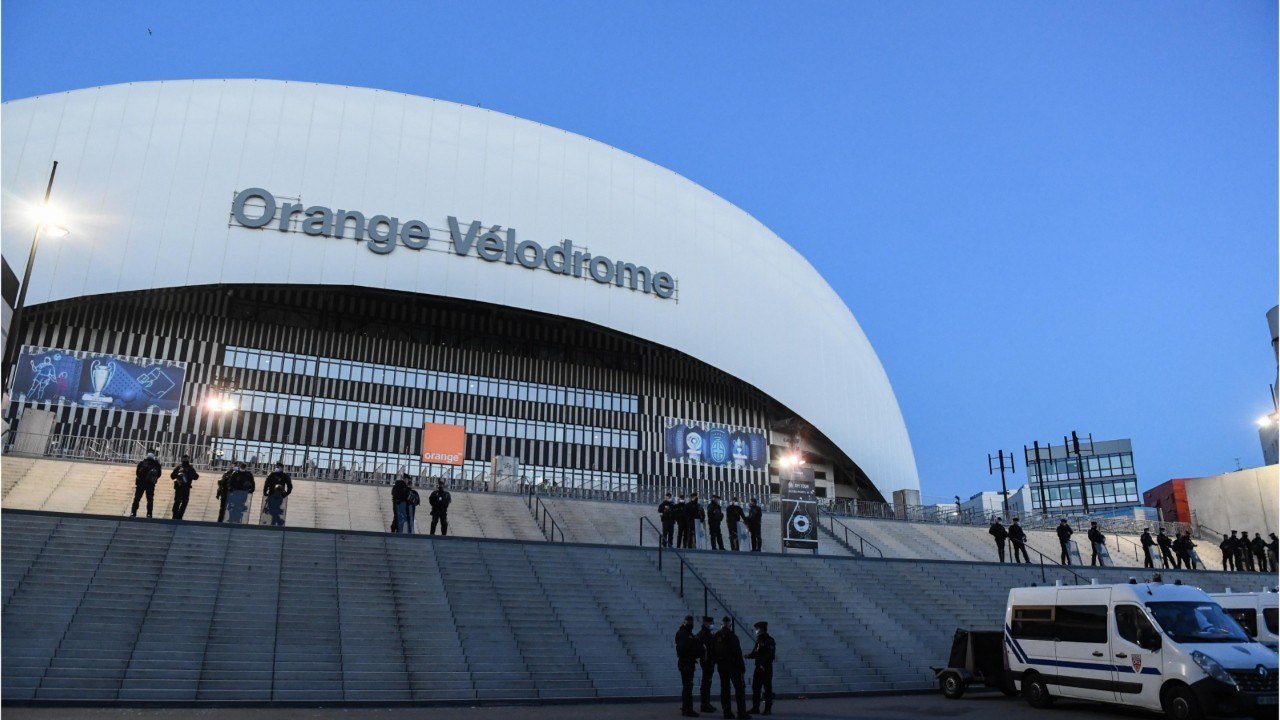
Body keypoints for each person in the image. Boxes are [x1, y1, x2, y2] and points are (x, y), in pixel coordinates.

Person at [713, 616, 750, 719]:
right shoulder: (732, 636)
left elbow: (712, 651)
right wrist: (742, 667)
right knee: (739, 689)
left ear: (721, 624)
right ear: (730, 624)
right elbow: (738, 652)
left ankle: (727, 712)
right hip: (733, 666)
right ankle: (741, 712)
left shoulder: (716, 635)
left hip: (721, 665)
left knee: (724, 689)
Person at [745, 621, 775, 716]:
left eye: (757, 629)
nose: (756, 631)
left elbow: (770, 655)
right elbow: (756, 652)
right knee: (756, 688)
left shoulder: (769, 640)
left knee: (767, 688)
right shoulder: (759, 640)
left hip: (766, 668)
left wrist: (763, 663)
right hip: (758, 668)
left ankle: (768, 708)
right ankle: (755, 707)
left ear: (761, 629)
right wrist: (748, 656)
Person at [675, 615, 702, 718]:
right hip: (686, 663)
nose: (691, 624)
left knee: (687, 686)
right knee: (688, 686)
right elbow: (683, 648)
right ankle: (688, 709)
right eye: (689, 622)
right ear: (686, 622)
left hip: (687, 662)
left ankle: (686, 708)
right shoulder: (684, 634)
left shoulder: (686, 633)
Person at [131, 448, 162, 518]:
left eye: (152, 452)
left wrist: (153, 476)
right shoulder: (142, 463)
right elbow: (137, 472)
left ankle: (149, 513)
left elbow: (159, 474)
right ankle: (133, 512)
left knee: (150, 499)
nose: (150, 454)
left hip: (150, 484)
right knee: (137, 498)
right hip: (141, 483)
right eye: (149, 452)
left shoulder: (156, 464)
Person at [696, 616, 718, 714]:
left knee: (707, 683)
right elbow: (705, 648)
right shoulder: (703, 634)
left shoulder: (707, 633)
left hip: (709, 660)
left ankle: (707, 703)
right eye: (711, 623)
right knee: (705, 683)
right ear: (706, 623)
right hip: (706, 661)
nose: (712, 624)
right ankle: (704, 704)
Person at [169, 455, 199, 520]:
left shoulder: (179, 467)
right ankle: (178, 516)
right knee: (183, 502)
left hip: (180, 488)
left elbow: (172, 476)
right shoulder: (190, 468)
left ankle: (175, 516)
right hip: (185, 488)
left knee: (178, 502)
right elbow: (196, 477)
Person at [263, 463, 292, 527]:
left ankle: (275, 523)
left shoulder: (284, 475)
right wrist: (265, 492)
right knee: (272, 510)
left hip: (279, 495)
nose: (277, 468)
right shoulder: (272, 474)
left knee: (274, 509)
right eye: (276, 466)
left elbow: (289, 485)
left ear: (282, 468)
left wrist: (286, 494)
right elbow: (266, 483)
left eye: (278, 467)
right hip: (271, 494)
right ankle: (278, 521)